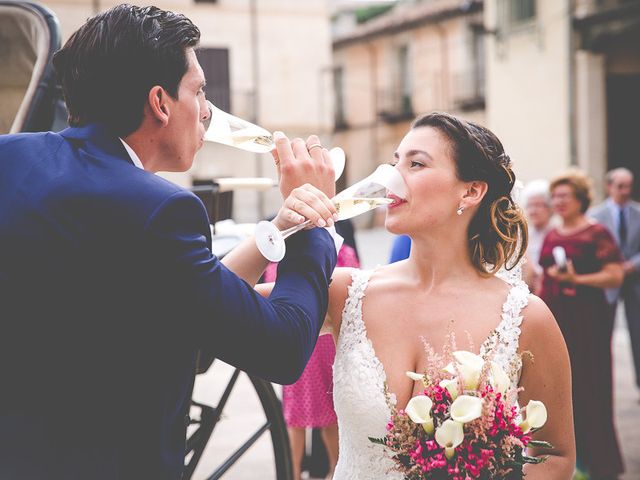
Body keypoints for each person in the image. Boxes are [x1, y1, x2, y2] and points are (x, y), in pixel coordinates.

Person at [0, 4, 340, 479]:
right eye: (199, 91)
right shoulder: (162, 209)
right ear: (160, 102)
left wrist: (275, 232)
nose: (207, 111)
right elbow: (280, 348)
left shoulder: (9, 157)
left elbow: (174, 300)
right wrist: (314, 224)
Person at [259, 113, 576, 479]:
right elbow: (215, 306)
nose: (393, 176)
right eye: (395, 161)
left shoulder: (525, 317)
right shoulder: (346, 293)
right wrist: (285, 226)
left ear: (470, 191)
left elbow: (556, 456)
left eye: (416, 164)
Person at [539, 169, 625, 479]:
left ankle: (600, 463)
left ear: (580, 199)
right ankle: (569, 460)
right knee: (563, 391)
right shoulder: (552, 234)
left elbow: (615, 274)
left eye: (565, 196)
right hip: (557, 319)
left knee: (592, 387)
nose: (558, 202)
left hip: (589, 322)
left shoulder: (596, 232)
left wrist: (578, 279)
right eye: (555, 197)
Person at [263, 227, 359, 480]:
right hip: (317, 344)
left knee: (303, 415)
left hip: (304, 342)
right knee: (325, 413)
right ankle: (330, 469)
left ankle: (299, 472)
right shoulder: (342, 254)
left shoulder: (280, 257)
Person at [589, 167, 640, 396]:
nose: (625, 191)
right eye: (620, 186)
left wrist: (633, 265)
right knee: (601, 335)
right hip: (607, 283)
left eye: (628, 186)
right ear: (609, 187)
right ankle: (601, 387)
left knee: (637, 334)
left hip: (633, 281)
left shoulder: (638, 213)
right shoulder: (595, 216)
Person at [521, 179, 553, 293]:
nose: (533, 211)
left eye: (538, 205)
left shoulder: (556, 234)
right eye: (530, 205)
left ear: (550, 208)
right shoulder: (522, 236)